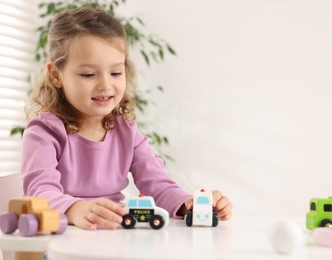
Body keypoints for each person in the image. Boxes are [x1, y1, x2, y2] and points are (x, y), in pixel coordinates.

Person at [21, 7, 232, 230]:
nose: (105, 85)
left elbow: (158, 185)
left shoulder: (126, 131)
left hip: (112, 239)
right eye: (88, 74)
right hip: (60, 241)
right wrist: (75, 209)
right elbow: (40, 192)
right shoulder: (43, 132)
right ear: (56, 75)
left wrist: (189, 204)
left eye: (115, 73)